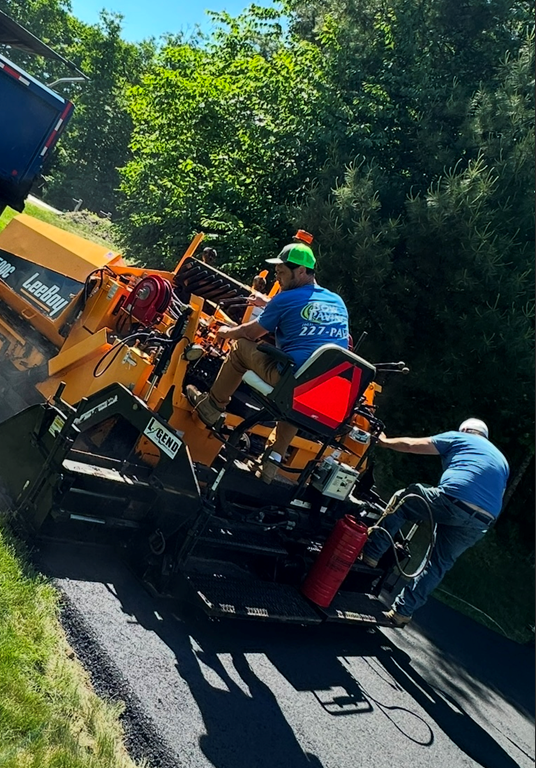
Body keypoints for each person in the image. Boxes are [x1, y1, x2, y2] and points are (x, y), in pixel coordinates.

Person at [185, 240, 349, 478]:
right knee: (300, 394)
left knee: (242, 347)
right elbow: (307, 306)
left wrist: (226, 332)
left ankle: (212, 406)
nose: (278, 278)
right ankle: (273, 460)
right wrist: (269, 303)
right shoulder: (337, 302)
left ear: (301, 271)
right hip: (320, 393)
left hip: (288, 379)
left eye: (282, 273)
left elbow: (251, 333)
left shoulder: (285, 298)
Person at [361, 418, 509, 627]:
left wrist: (384, 441)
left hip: (454, 501)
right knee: (437, 564)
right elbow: (498, 493)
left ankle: (371, 554)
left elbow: (412, 445)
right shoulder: (502, 460)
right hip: (482, 520)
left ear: (466, 429)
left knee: (405, 499)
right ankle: (402, 612)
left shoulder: (461, 437)